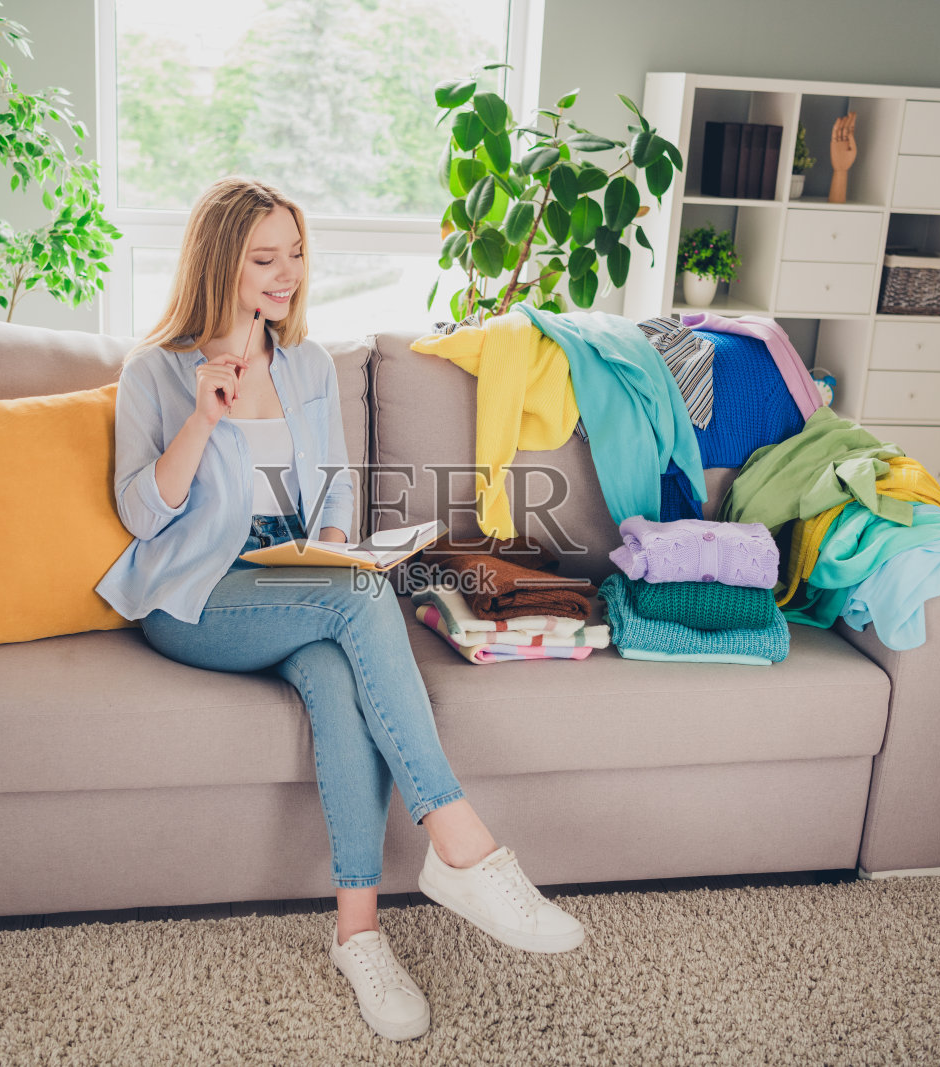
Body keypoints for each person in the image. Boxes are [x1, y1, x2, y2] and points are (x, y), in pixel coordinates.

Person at [93, 176, 586, 1042]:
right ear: (219, 262)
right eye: (265, 259)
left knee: (335, 668)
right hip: (195, 592)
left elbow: (331, 499)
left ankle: (359, 934)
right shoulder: (159, 371)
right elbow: (141, 516)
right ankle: (463, 843)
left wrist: (327, 543)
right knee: (362, 596)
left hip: (296, 573)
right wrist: (204, 421)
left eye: (296, 254)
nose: (287, 275)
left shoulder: (310, 364)